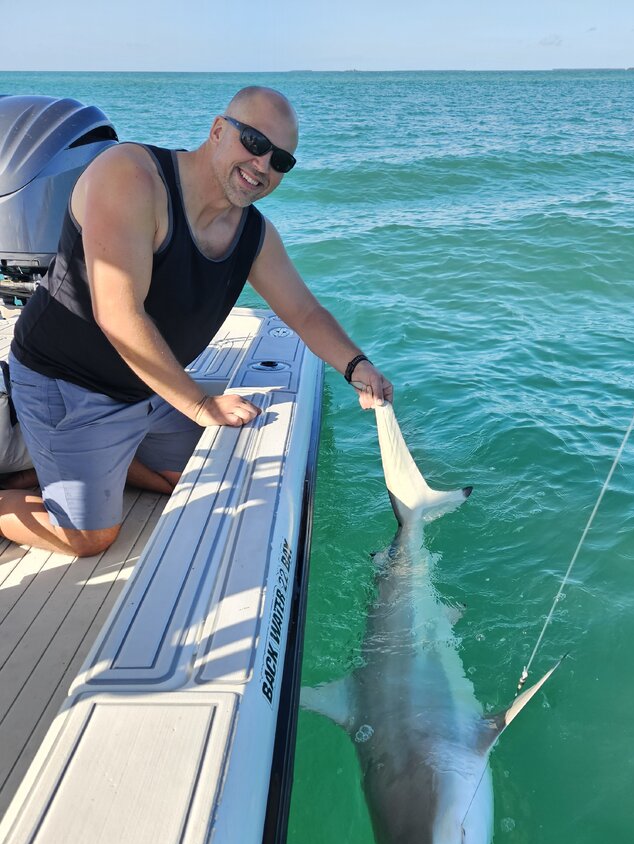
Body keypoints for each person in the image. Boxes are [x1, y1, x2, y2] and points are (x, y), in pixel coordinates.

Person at [0, 86, 392, 558]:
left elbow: (304, 311)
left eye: (281, 161)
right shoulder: (131, 176)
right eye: (254, 142)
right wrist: (201, 406)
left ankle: (76, 465)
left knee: (197, 475)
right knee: (88, 538)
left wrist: (356, 367)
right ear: (218, 130)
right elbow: (118, 314)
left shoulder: (253, 234)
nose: (263, 165)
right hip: (66, 384)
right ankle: (41, 462)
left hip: (147, 389)